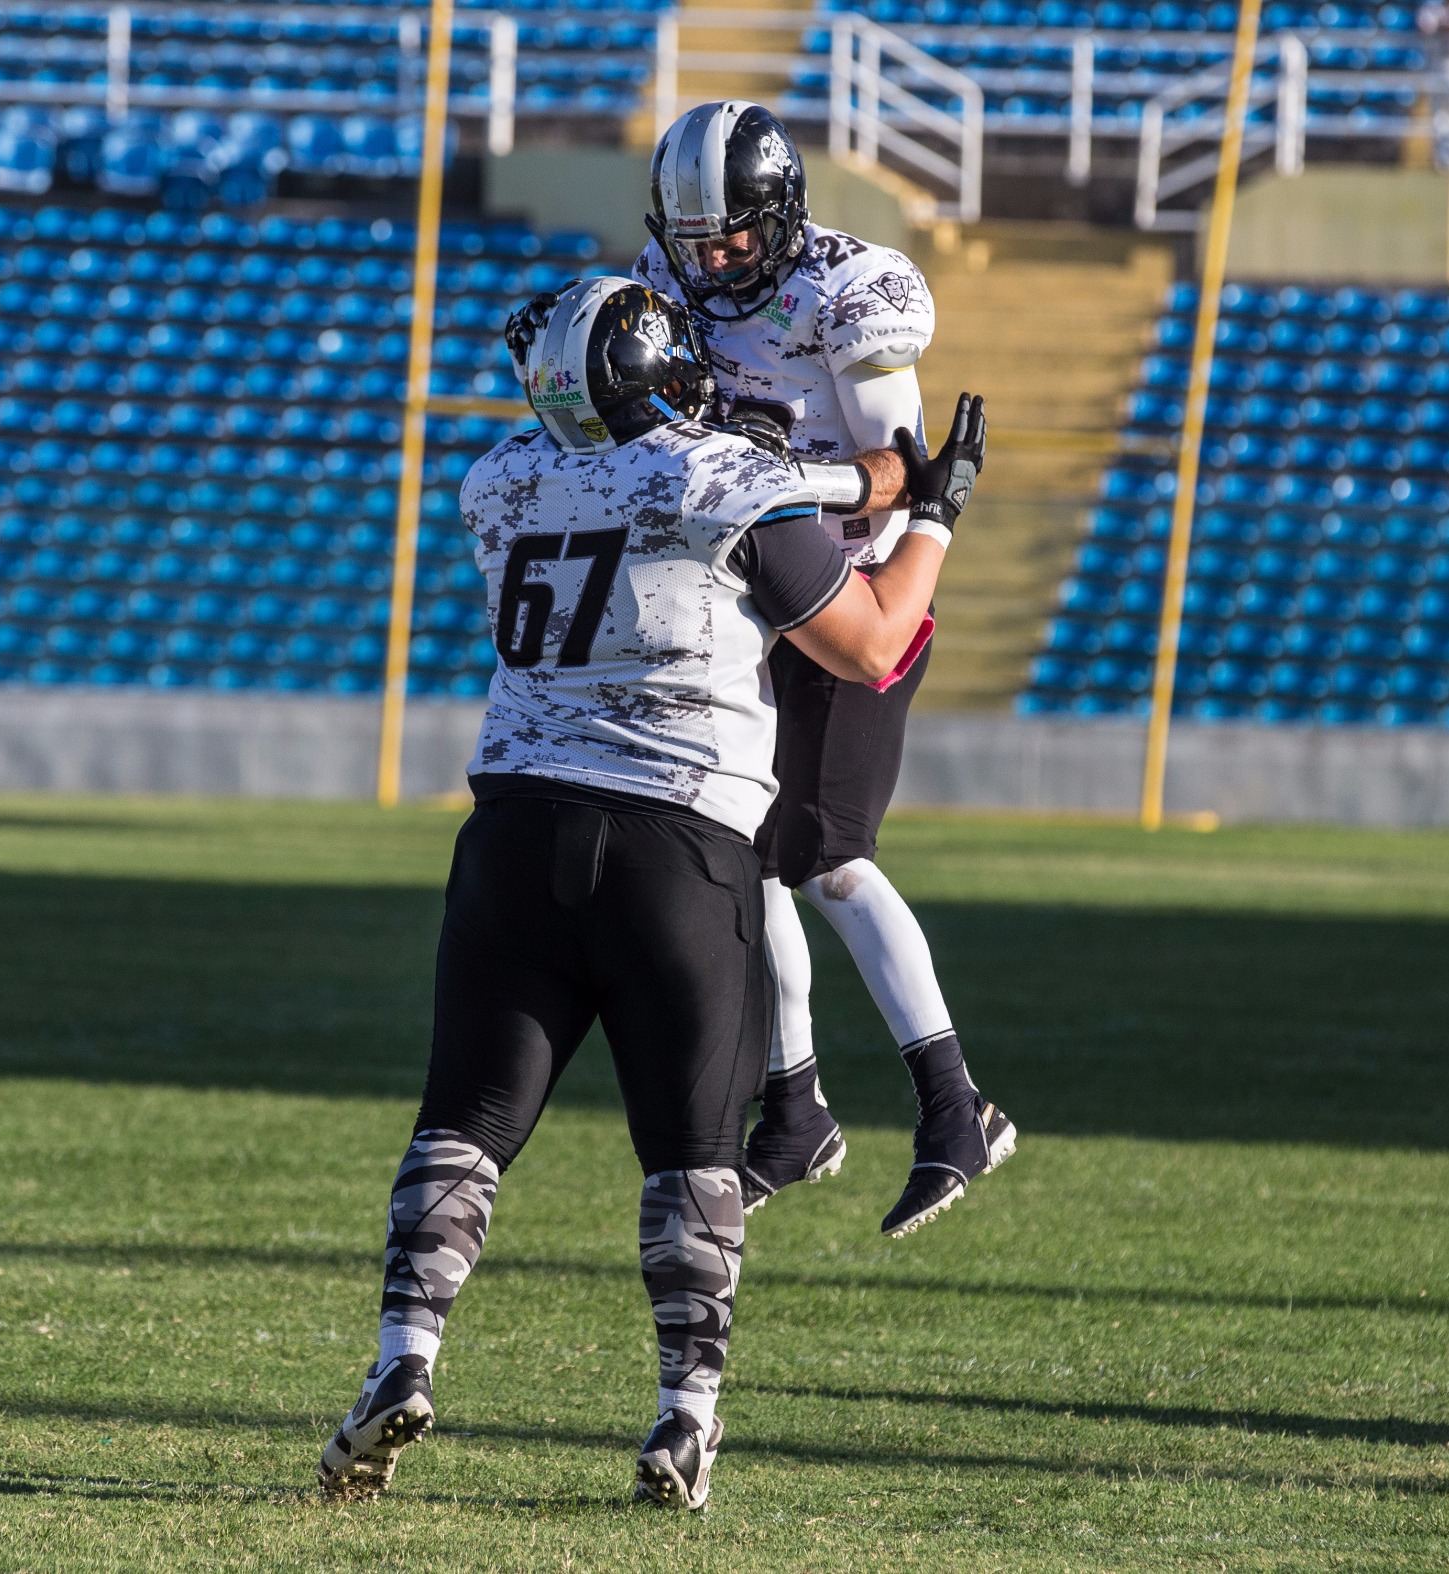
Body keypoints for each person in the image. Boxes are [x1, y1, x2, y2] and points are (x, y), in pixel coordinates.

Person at [317, 276, 986, 1510]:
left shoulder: (500, 480)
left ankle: (399, 1356)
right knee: (690, 1155)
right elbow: (877, 640)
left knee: (461, 1125)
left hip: (513, 836)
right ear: (661, 368)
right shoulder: (716, 478)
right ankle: (686, 1410)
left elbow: (742, 482)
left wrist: (871, 481)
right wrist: (932, 509)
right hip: (675, 849)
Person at [641, 100, 1015, 1238]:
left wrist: (771, 478)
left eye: (733, 238)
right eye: (693, 240)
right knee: (741, 850)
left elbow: (902, 476)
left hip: (856, 590)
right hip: (750, 598)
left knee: (826, 854)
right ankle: (793, 1107)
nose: (712, 262)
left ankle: (957, 1106)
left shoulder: (854, 288)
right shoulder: (671, 277)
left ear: (784, 212)